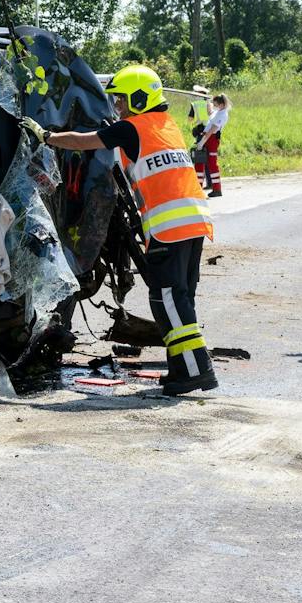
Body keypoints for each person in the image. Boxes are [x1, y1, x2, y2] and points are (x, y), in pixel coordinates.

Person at [26, 64, 218, 395]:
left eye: (122, 100)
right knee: (180, 298)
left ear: (139, 99)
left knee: (167, 299)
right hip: (195, 221)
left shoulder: (132, 128)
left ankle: (198, 370)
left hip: (169, 226)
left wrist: (47, 137)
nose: (117, 107)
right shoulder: (165, 124)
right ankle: (181, 369)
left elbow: (85, 141)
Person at [197, 93, 230, 197]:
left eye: (216, 104)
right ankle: (198, 187)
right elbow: (210, 111)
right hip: (206, 137)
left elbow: (213, 129)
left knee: (212, 163)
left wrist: (202, 142)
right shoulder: (218, 112)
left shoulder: (223, 114)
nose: (214, 106)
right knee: (199, 162)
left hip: (212, 139)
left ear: (221, 104)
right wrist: (207, 100)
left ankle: (217, 189)